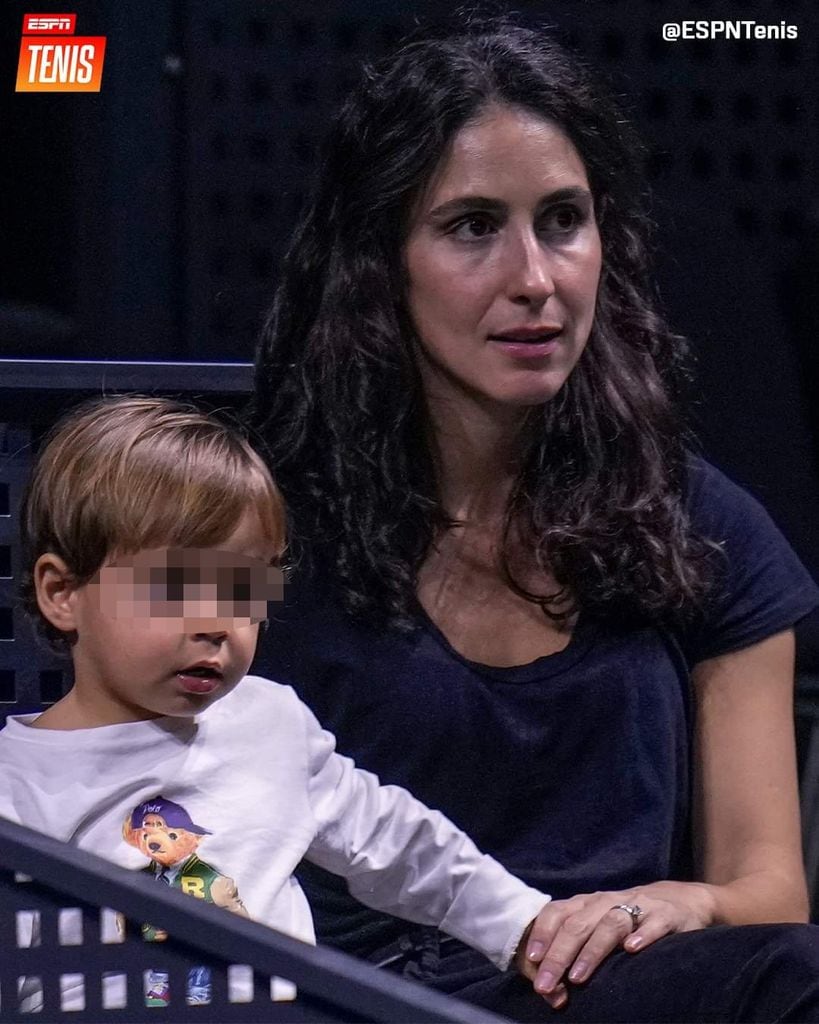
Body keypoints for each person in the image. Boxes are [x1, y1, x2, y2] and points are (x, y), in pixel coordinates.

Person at [249, 19, 819, 1022]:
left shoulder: (700, 524)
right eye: (472, 226)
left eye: (563, 220)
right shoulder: (266, 528)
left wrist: (677, 899)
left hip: (614, 989)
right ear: (383, 261)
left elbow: (769, 895)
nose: (536, 279)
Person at [0, 394, 559, 1013]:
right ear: (62, 593)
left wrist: (526, 924)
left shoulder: (269, 723)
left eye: (243, 591)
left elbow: (397, 843)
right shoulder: (14, 783)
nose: (217, 624)